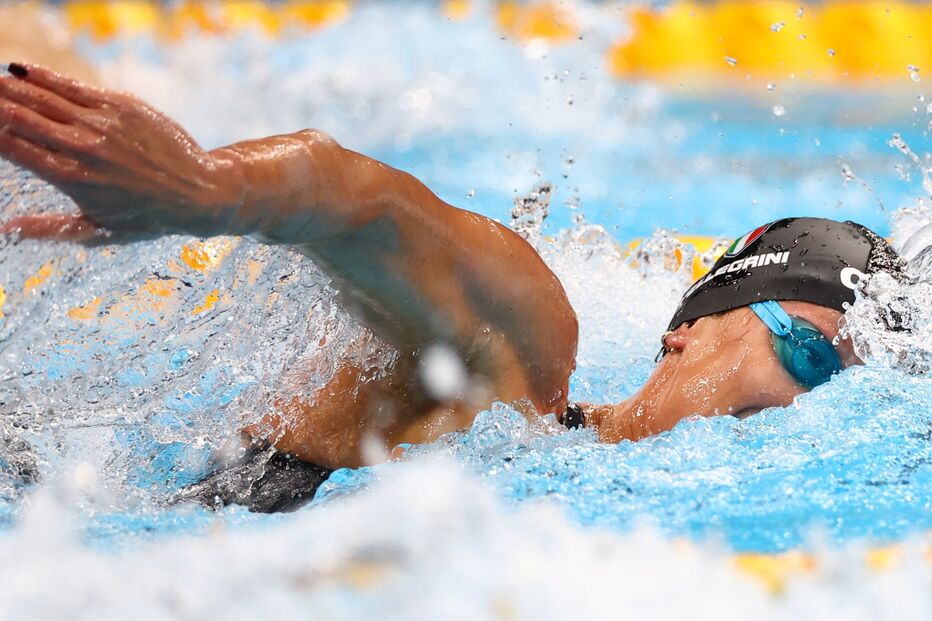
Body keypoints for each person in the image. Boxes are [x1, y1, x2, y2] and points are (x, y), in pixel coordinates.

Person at [0, 63, 905, 511]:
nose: (812, 414)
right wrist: (199, 189)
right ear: (687, 332)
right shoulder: (519, 366)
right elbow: (358, 199)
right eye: (810, 356)